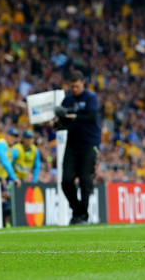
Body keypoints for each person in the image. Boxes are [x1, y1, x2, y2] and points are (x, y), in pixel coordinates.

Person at [54, 70, 101, 225]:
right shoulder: (67, 100)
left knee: (85, 179)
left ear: (83, 84)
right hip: (72, 144)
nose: (74, 89)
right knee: (66, 181)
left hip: (89, 143)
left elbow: (92, 117)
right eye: (72, 86)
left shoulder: (90, 98)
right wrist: (54, 123)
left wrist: (71, 115)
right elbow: (61, 123)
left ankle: (82, 216)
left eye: (77, 86)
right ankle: (78, 210)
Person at [0, 128, 21, 227]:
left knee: (6, 201)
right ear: (6, 135)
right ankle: (3, 223)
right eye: (12, 136)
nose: (14, 139)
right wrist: (14, 177)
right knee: (4, 201)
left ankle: (4, 224)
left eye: (16, 137)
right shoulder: (1, 144)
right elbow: (5, 162)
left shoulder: (9, 149)